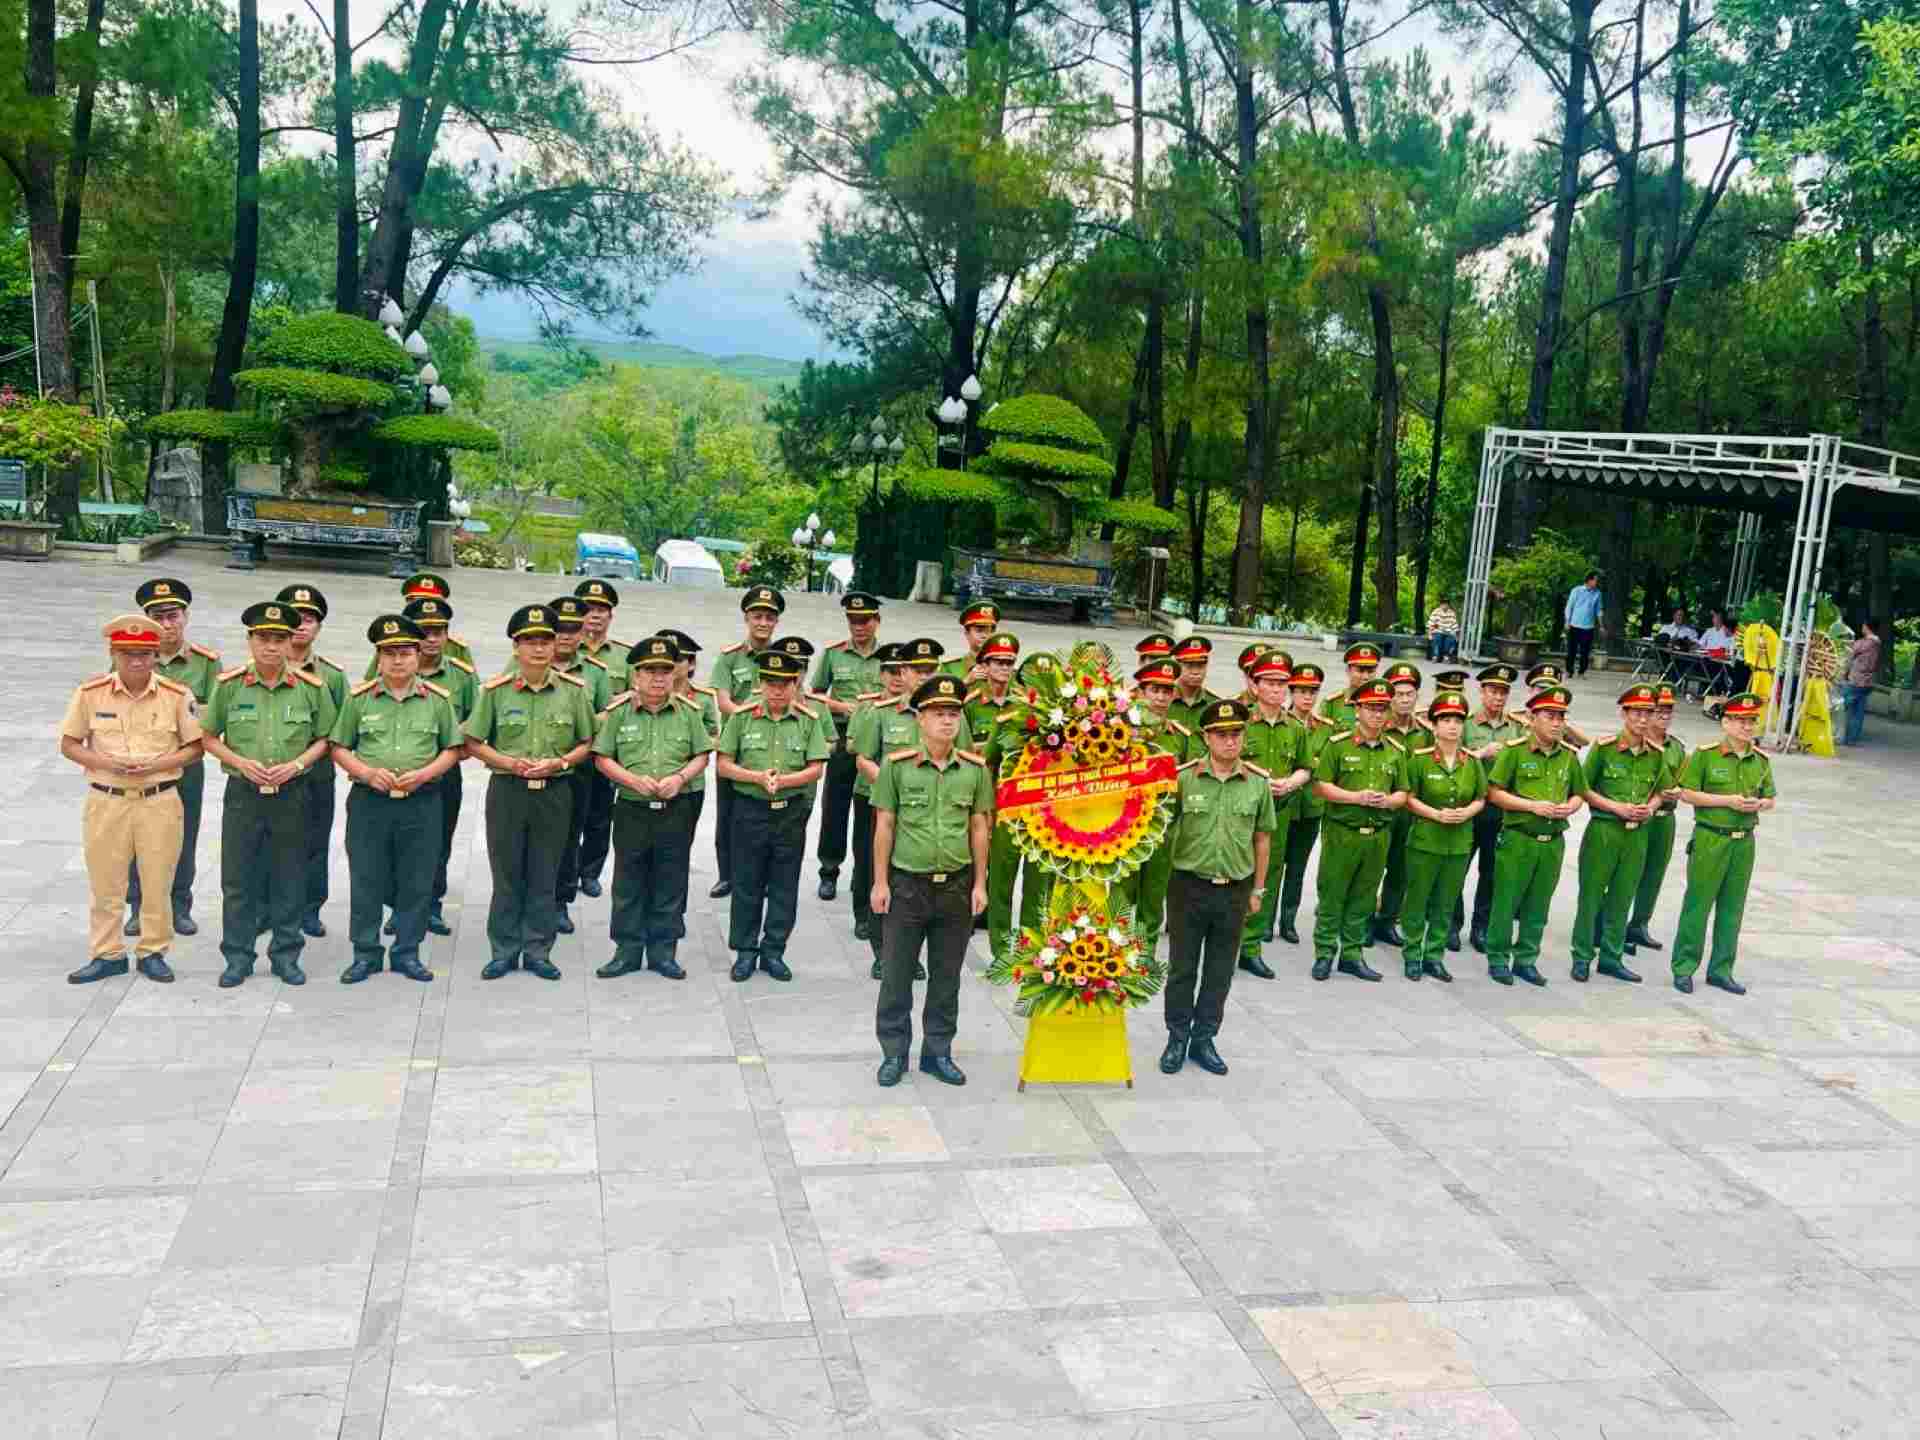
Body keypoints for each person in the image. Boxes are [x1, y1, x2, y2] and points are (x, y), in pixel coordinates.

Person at [61, 614, 203, 984]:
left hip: (159, 799)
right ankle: (107, 953)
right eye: (128, 654)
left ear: (155, 655)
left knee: (158, 880)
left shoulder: (176, 696)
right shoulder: (90, 694)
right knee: (106, 882)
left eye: (144, 654)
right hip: (107, 799)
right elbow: (69, 744)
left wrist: (158, 764)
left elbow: (194, 748)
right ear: (113, 653)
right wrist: (104, 762)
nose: (137, 661)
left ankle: (153, 951)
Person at [201, 602, 337, 987]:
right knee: (239, 879)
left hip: (293, 794)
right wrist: (239, 762)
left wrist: (296, 766)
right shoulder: (229, 686)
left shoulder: (311, 688)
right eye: (263, 638)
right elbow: (208, 736)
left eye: (280, 639)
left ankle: (286, 955)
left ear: (290, 641)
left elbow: (326, 737)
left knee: (289, 876)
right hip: (244, 794)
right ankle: (238, 956)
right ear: (250, 641)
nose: (272, 647)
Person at [464, 604, 598, 981]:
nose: (539, 649)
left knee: (545, 872)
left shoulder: (573, 693)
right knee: (506, 872)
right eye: (530, 642)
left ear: (556, 646)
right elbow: (474, 740)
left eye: (546, 641)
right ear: (516, 647)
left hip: (555, 792)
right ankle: (504, 950)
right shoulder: (496, 692)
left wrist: (560, 764)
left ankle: (538, 950)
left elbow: (587, 742)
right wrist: (508, 762)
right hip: (508, 791)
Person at [871, 674, 992, 1087]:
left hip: (956, 887)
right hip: (907, 885)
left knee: (946, 976)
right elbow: (884, 824)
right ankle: (894, 1052)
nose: (947, 721)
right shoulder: (897, 767)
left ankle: (937, 1052)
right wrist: (880, 882)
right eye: (938, 713)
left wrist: (980, 884)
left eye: (953, 713)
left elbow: (979, 827)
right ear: (920, 719)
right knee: (896, 975)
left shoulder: (974, 770)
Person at [329, 615, 462, 985]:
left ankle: (407, 952)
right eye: (389, 653)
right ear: (378, 658)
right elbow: (338, 745)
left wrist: (426, 773)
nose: (398, 660)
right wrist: (368, 772)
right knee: (366, 877)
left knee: (417, 878)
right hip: (370, 802)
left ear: (418, 656)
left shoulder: (437, 701)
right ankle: (365, 953)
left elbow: (453, 748)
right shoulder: (359, 699)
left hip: (422, 802)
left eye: (405, 652)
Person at [1162, 699, 1278, 1076]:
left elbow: (1262, 839)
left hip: (1234, 890)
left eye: (1236, 734)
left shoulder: (1257, 784)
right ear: (1206, 738)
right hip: (1188, 887)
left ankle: (1204, 1038)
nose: (1230, 741)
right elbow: (1162, 824)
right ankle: (1177, 1037)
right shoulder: (1185, 779)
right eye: (1221, 734)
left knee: (1219, 970)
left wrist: (1258, 891)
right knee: (1182, 967)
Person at [592, 636, 713, 980]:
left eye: (664, 670)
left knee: (670, 879)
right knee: (628, 880)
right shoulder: (618, 714)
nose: (658, 677)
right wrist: (630, 780)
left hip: (676, 807)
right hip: (632, 808)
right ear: (636, 676)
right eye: (649, 671)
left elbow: (702, 754)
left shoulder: (690, 713)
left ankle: (663, 952)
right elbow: (602, 757)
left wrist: (680, 777)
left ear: (674, 674)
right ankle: (626, 951)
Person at [715, 648, 831, 983]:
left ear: (795, 684)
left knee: (784, 885)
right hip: (749, 811)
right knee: (747, 883)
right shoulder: (741, 717)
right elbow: (723, 764)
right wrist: (755, 778)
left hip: (789, 814)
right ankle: (745, 951)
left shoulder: (808, 721)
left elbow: (816, 769)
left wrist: (784, 781)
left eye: (784, 683)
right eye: (770, 682)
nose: (777, 689)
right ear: (760, 683)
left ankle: (774, 951)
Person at [123, 578, 219, 939]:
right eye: (157, 617)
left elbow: (213, 714)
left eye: (172, 615)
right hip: (141, 764)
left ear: (185, 617)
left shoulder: (206, 663)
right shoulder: (131, 658)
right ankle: (139, 906)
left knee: (184, 835)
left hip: (186, 764)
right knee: (138, 837)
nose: (166, 624)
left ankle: (180, 905)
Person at [1671, 692, 1775, 995]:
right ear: (1725, 722)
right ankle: (1684, 967)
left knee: (1732, 908)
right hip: (1711, 836)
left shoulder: (1761, 760)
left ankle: (1721, 970)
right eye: (1740, 720)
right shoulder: (1706, 755)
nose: (1747, 727)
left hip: (1743, 842)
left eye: (1751, 721)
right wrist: (1727, 801)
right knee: (1698, 905)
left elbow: (1771, 797)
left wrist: (1760, 804)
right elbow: (1687, 793)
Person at [1568, 684, 1671, 984]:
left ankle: (1612, 958)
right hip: (1604, 830)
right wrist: (1615, 807)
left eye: (1648, 714)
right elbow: (1583, 788)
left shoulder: (1656, 754)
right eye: (1636, 713)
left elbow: (1662, 791)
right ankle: (1582, 957)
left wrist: (1650, 809)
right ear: (1624, 713)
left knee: (1622, 896)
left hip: (1637, 834)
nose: (1642, 719)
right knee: (1591, 896)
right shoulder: (1604, 748)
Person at [1484, 684, 1586, 987]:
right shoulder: (1514, 752)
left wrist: (1569, 807)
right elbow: (1494, 793)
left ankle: (1527, 958)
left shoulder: (1568, 756)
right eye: (1550, 716)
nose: (1557, 723)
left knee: (1539, 904)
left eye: (1561, 717)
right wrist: (1532, 806)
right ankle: (1498, 958)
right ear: (1532, 718)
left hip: (1552, 842)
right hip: (1519, 838)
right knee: (1506, 901)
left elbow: (1580, 792)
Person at [1310, 679, 1408, 983]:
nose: (1377, 715)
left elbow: (1403, 792)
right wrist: (1356, 797)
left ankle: (1351, 955)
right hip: (1343, 831)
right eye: (1371, 708)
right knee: (1332, 893)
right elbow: (1321, 785)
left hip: (1378, 834)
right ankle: (1325, 952)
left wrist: (1389, 801)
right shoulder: (1338, 745)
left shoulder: (1395, 751)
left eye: (1382, 709)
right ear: (1358, 710)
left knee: (1364, 897)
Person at [969, 633, 1050, 963]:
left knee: (1036, 888)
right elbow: (987, 766)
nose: (1004, 668)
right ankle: (1001, 951)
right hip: (1007, 814)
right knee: (1000, 885)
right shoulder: (1004, 720)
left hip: (1042, 819)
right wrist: (987, 812)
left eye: (1009, 663)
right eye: (999, 662)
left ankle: (1033, 951)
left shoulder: (1054, 725)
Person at [399, 595, 476, 937]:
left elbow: (476, 722)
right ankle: (399, 908)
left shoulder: (461, 676)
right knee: (399, 844)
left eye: (439, 630)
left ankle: (431, 905)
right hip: (398, 776)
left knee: (438, 842)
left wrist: (449, 752)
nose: (432, 638)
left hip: (444, 774)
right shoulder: (392, 664)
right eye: (425, 631)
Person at [850, 643, 925, 979]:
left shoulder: (949, 716)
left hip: (927, 816)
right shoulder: (880, 713)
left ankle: (912, 954)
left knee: (919, 885)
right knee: (880, 878)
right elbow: (863, 758)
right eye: (916, 670)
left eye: (929, 670)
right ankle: (882, 951)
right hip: (885, 812)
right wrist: (892, 785)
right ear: (902, 673)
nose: (923, 676)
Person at [1400, 692, 1486, 982]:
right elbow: (1408, 797)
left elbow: (1481, 797)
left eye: (1458, 720)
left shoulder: (1471, 761)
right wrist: (1434, 814)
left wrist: (1468, 812)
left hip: (1458, 843)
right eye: (1445, 720)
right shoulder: (1420, 760)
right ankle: (1412, 953)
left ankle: (1434, 955)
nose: (1452, 726)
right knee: (1417, 898)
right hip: (1426, 840)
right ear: (1434, 726)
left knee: (1445, 901)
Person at [707, 585, 785, 899]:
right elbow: (722, 699)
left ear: (776, 621)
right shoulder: (729, 658)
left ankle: (763, 878)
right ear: (746, 618)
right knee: (728, 812)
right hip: (735, 747)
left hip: (774, 743)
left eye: (769, 617)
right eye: (757, 616)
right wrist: (750, 713)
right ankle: (726, 875)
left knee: (769, 815)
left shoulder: (784, 659)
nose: (763, 622)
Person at [280, 584, 347, 937]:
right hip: (271, 771)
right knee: (269, 844)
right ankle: (268, 908)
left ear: (318, 627)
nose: (302, 625)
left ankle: (309, 909)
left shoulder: (332, 676)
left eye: (310, 619)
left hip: (316, 771)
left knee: (314, 841)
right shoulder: (256, 669)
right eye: (296, 618)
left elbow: (341, 729)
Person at [810, 591, 885, 909]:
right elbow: (815, 694)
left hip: (875, 739)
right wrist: (842, 706)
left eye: (865, 620)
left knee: (870, 806)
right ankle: (829, 869)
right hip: (842, 736)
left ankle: (863, 873)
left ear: (877, 621)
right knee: (835, 805)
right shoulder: (833, 654)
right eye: (853, 621)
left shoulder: (890, 657)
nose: (859, 627)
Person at [1114, 658, 1192, 957]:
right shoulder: (1123, 730)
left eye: (1166, 691)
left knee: (1154, 892)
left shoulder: (1179, 736)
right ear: (1142, 691)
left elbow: (1187, 777)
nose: (1160, 697)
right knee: (1122, 891)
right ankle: (1117, 949)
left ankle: (1145, 952)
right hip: (1126, 825)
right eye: (1154, 690)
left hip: (1164, 825)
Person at [1237, 654, 1308, 978]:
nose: (1278, 689)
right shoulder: (1239, 722)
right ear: (1254, 684)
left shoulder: (1295, 727)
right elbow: (1220, 757)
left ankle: (1251, 948)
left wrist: (1293, 781)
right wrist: (1260, 778)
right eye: (1270, 683)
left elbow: (1306, 767)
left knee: (1265, 881)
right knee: (1233, 879)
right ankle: (1226, 945)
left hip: (1277, 816)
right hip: (1239, 816)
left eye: (1283, 684)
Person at [548, 595, 613, 936]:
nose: (567, 636)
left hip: (576, 768)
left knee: (569, 836)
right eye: (560, 628)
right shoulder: (522, 665)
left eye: (573, 629)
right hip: (528, 768)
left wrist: (580, 728)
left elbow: (607, 712)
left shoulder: (595, 672)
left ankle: (560, 901)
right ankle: (533, 901)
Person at [657, 626, 720, 931]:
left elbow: (712, 738)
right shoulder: (644, 697)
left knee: (678, 850)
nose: (671, 665)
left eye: (678, 659)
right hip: (647, 787)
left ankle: (673, 912)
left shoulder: (705, 700)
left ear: (691, 664)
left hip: (688, 787)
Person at [573, 578, 631, 899]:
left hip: (606, 751)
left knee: (600, 814)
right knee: (569, 817)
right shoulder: (563, 649)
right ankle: (566, 873)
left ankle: (590, 872)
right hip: (570, 749)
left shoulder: (624, 656)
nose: (595, 615)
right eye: (589, 609)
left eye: (602, 610)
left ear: (611, 616)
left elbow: (635, 696)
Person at [1463, 664, 1524, 951]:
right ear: (1482, 691)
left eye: (1503, 692)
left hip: (1498, 810)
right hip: (1468, 806)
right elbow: (1451, 757)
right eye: (1493, 691)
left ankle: (1480, 928)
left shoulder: (1516, 727)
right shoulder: (1465, 723)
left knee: (1490, 873)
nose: (1498, 697)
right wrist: (1480, 753)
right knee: (1458, 868)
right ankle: (1451, 925)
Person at [1625, 683, 1686, 957]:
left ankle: (1639, 924)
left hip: (1665, 818)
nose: (1664, 715)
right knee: (1628, 873)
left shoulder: (1677, 748)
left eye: (1669, 711)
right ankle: (1613, 926)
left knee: (1654, 874)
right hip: (1639, 817)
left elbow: (1686, 780)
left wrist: (1679, 790)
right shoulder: (1638, 745)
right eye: (1659, 710)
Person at [1276, 663, 1332, 945]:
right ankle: (1263, 922)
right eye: (1302, 691)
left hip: (1310, 807)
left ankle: (1288, 921)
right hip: (1281, 806)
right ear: (1291, 692)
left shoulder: (1326, 729)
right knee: (1273, 866)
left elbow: (1327, 767)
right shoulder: (1281, 724)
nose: (1308, 697)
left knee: (1297, 868)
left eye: (1313, 691)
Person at [1369, 660, 1425, 947]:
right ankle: (1364, 919)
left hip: (1412, 813)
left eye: (1409, 694)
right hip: (1380, 809)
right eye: (1398, 694)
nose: (1404, 700)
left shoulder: (1426, 731)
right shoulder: (1376, 728)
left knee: (1401, 870)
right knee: (1371, 868)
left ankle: (1387, 920)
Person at [1318, 642, 1382, 728]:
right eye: (1360, 671)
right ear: (1348, 671)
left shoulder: (1385, 704)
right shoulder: (1332, 703)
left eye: (1371, 671)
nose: (1366, 677)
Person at [1841, 617, 1883, 747]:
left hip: (1856, 680)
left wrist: (1844, 673)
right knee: (1859, 711)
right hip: (1868, 682)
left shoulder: (1863, 643)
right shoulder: (1877, 644)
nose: (1862, 627)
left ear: (1867, 627)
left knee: (1847, 710)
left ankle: (1846, 738)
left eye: (1863, 625)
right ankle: (1853, 739)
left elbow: (1849, 657)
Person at [1167, 635, 1220, 731]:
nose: (1195, 672)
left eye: (1201, 666)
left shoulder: (1215, 704)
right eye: (1189, 666)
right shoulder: (1162, 700)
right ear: (1177, 666)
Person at [941, 602, 1001, 683]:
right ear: (967, 633)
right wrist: (966, 681)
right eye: (979, 631)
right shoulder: (951, 668)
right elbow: (941, 695)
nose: (984, 636)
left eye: (988, 631)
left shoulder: (1005, 668)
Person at [1564, 571, 1605, 675]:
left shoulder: (1598, 593)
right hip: (1574, 625)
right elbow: (1569, 606)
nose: (1597, 582)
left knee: (1585, 651)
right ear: (1590, 580)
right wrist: (1567, 621)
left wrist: (1601, 626)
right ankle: (1569, 671)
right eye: (1596, 580)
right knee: (1571, 650)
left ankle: (1582, 671)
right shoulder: (1576, 590)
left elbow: (1599, 610)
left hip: (1588, 627)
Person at [1426, 595, 1461, 661]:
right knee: (1437, 638)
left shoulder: (1452, 613)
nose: (1444, 605)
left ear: (1448, 605)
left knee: (1451, 639)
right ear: (1441, 604)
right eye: (1443, 603)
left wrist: (1457, 635)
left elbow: (1454, 625)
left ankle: (1446, 656)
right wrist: (1429, 633)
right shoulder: (1436, 611)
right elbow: (1431, 624)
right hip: (1438, 630)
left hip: (1448, 631)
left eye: (1446, 604)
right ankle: (1435, 656)